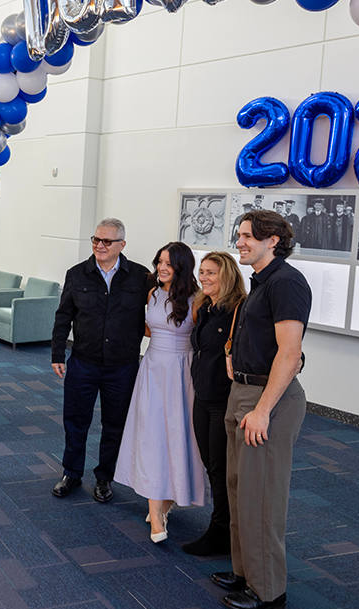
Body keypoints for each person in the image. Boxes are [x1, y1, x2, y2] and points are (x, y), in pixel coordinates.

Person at [213, 210, 311, 609]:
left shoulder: (287, 282)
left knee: (262, 498)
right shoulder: (261, 281)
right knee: (240, 491)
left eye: (248, 236)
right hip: (244, 392)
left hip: (267, 402)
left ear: (273, 240)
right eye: (239, 235)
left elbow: (290, 355)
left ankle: (268, 590)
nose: (240, 242)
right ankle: (245, 571)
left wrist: (263, 410)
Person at [50, 218, 150, 503]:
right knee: (75, 420)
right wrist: (58, 353)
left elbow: (160, 309)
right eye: (96, 240)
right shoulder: (77, 274)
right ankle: (72, 472)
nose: (100, 246)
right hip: (83, 361)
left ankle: (105, 477)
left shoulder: (140, 277)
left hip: (123, 366)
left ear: (122, 245)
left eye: (107, 241)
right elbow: (63, 316)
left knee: (115, 424)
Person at [114, 242, 204, 542]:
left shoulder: (197, 298)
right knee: (152, 436)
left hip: (181, 372)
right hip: (152, 368)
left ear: (182, 267)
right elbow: (152, 328)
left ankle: (165, 505)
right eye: (160, 262)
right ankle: (155, 516)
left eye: (169, 264)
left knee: (179, 436)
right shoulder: (152, 293)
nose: (162, 268)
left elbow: (198, 335)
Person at [183, 251, 247, 557]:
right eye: (202, 272)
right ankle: (225, 526)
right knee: (212, 466)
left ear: (228, 276)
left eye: (211, 273)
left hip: (224, 400)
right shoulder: (204, 307)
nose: (204, 278)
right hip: (202, 397)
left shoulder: (238, 310)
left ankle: (222, 532)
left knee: (221, 469)